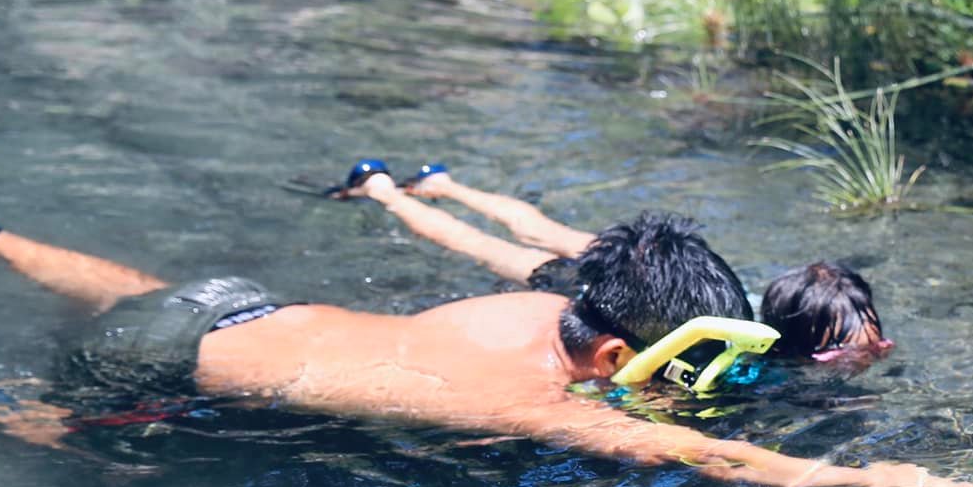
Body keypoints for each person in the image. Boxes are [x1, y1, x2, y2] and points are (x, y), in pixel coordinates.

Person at [0, 195, 973, 487]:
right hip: (154, 371)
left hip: (236, 308)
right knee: (74, 448)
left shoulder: (540, 310)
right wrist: (909, 481)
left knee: (131, 295)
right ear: (614, 349)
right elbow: (724, 462)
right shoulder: (531, 401)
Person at [352, 163, 893, 365]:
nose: (869, 356)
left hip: (647, 269)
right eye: (850, 350)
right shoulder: (755, 359)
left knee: (538, 227)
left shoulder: (754, 305)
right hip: (603, 295)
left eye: (877, 344)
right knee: (487, 247)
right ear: (798, 345)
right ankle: (386, 193)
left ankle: (442, 182)